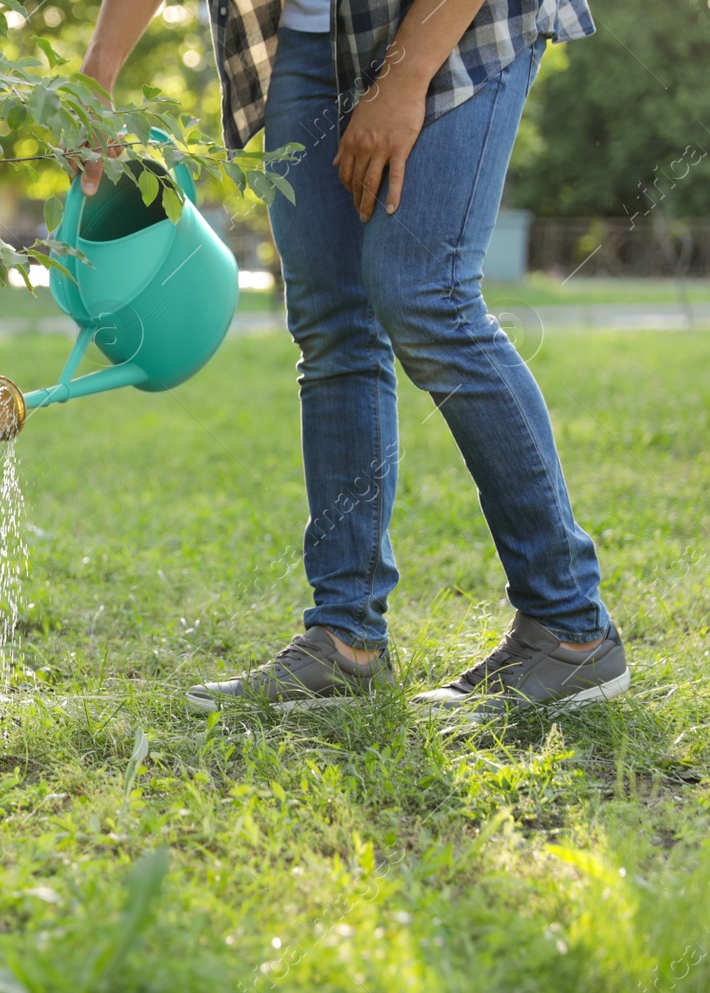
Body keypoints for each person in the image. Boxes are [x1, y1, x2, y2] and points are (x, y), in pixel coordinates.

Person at [79, 0, 628, 719]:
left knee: (425, 294)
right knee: (333, 324)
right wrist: (97, 72)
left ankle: (571, 627)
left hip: (454, 21)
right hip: (307, 38)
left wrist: (403, 82)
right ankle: (347, 639)